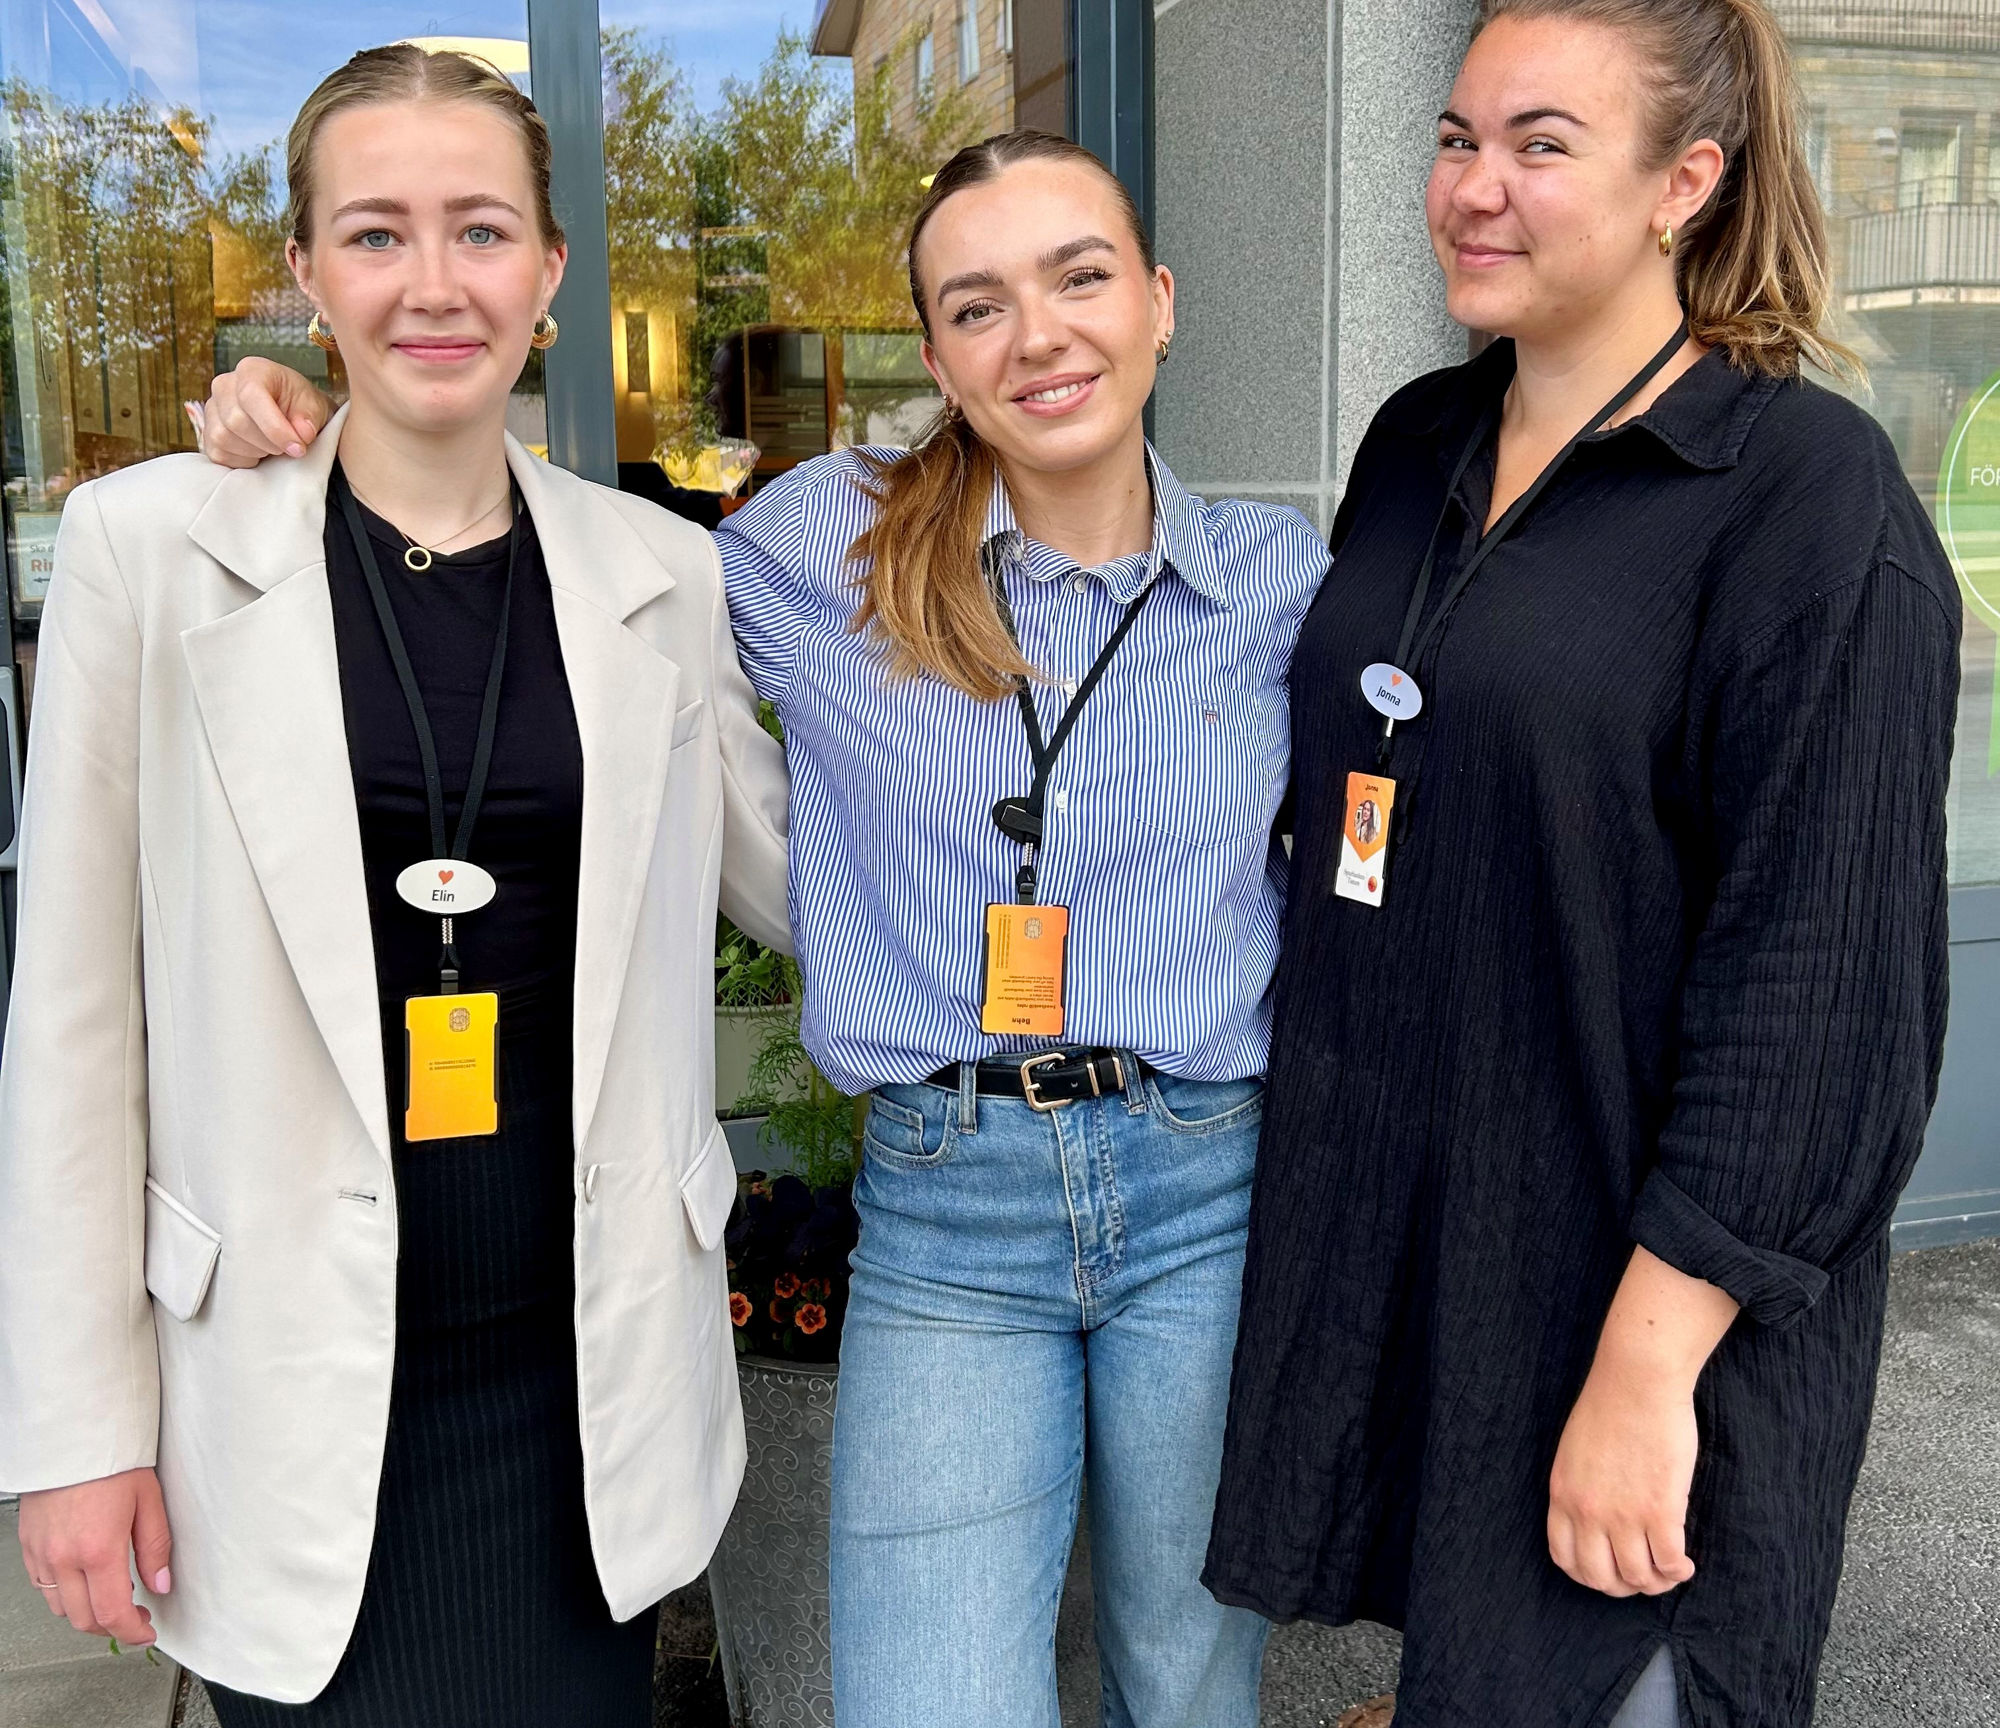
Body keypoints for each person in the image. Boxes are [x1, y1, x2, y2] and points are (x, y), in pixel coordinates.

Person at [191, 128, 1330, 1728]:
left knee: (1190, 1684)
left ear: (1157, 300)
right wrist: (321, 434)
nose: (1042, 335)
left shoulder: (1282, 584)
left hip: (1214, 1193)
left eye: (1081, 278)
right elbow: (554, 564)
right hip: (955, 1209)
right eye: (978, 305)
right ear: (933, 353)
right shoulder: (814, 547)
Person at [1204, 0, 1959, 1728]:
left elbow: (1823, 996)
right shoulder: (1422, 439)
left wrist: (1648, 1367)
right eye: (1458, 137)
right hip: (1451, 1247)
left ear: (1683, 182)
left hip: (1654, 1309)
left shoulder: (1804, 498)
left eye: (1543, 143)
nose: (1473, 186)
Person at [0, 44, 789, 1723]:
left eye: (482, 231)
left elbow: (809, 885)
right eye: (374, 234)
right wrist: (73, 1433)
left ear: (553, 270)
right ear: (302, 269)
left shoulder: (665, 571)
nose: (434, 284)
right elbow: (72, 1024)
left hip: (582, 1387)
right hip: (282, 1391)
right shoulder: (153, 553)